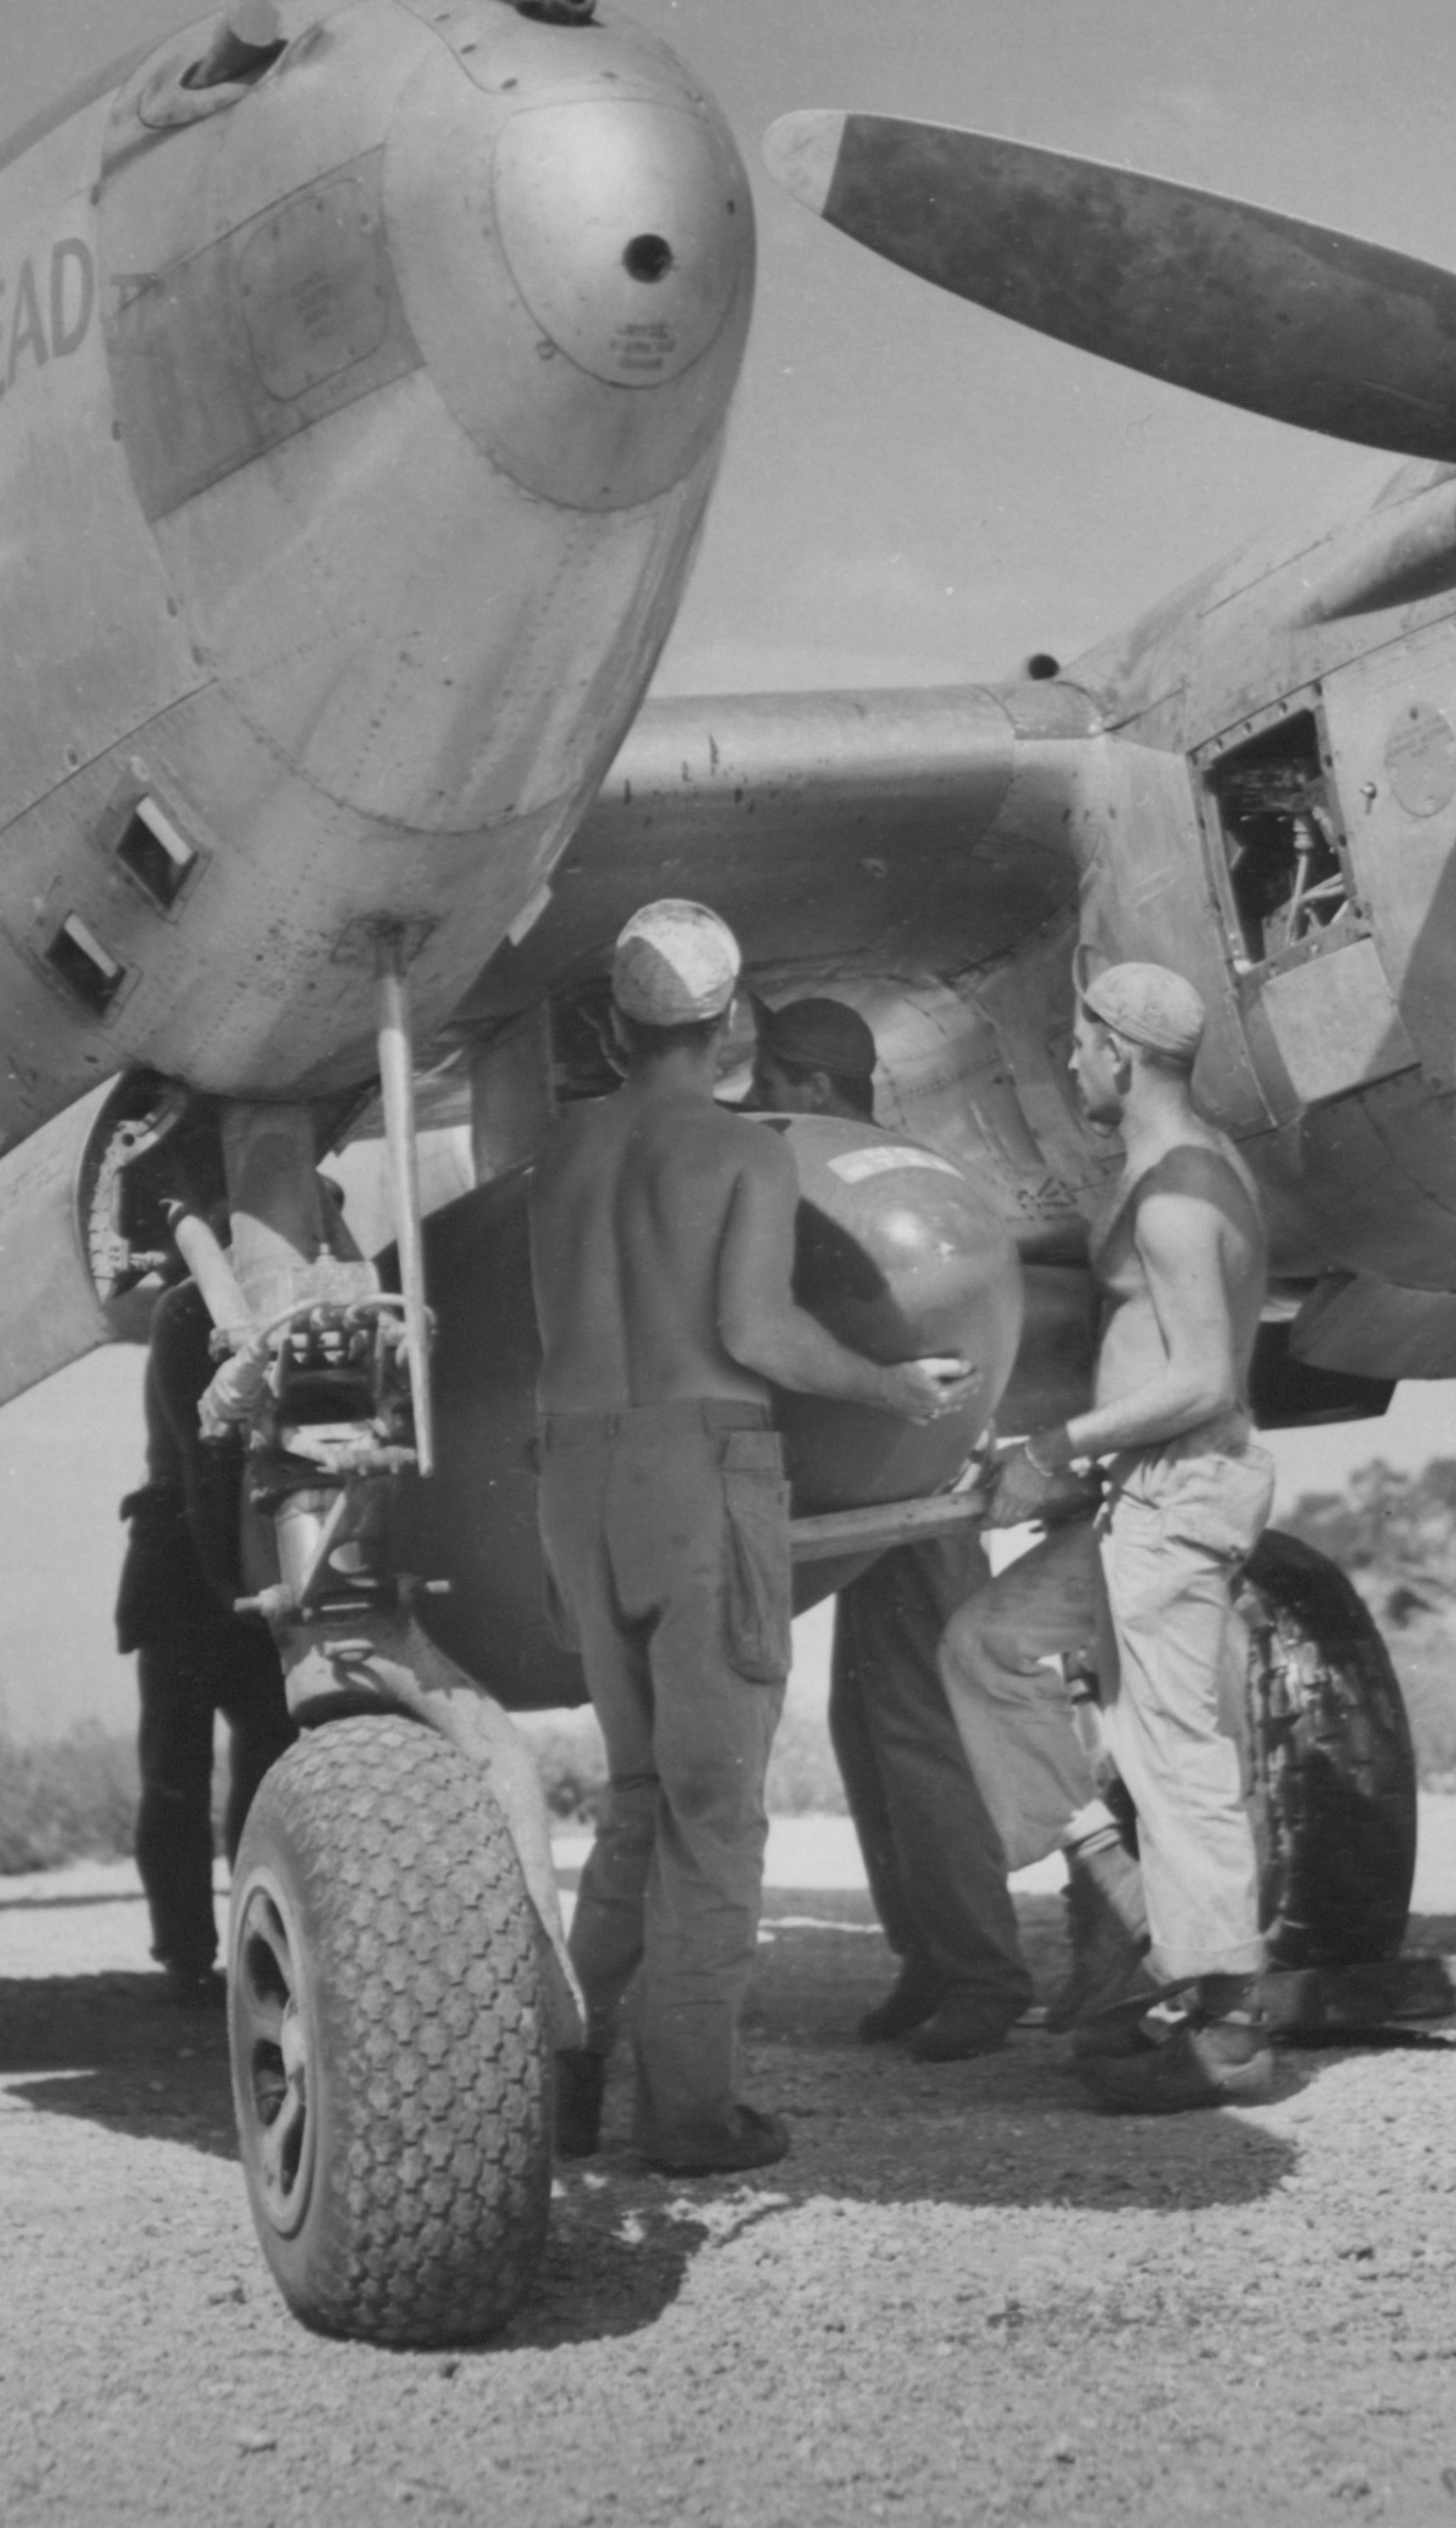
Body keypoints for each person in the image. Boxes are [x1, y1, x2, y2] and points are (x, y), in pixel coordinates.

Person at [533, 903, 980, 2175]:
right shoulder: (743, 1155)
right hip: (696, 1472)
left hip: (573, 1475)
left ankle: (565, 2068)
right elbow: (757, 1334)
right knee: (713, 1810)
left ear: (617, 1027)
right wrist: (895, 1389)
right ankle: (688, 2112)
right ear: (725, 1023)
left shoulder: (564, 1151)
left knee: (634, 1795)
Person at [939, 960, 1278, 2114]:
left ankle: (1231, 2028)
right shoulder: (1172, 1168)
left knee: (1176, 1750)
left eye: (1080, 1043)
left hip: (1178, 1494)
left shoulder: (1180, 1194)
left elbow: (1201, 1378)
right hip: (1142, 1492)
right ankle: (1131, 1909)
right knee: (985, 1649)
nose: (1071, 1062)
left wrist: (1057, 1446)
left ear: (1119, 1055)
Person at [740, 995, 1035, 2063]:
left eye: (770, 1082)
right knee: (869, 1728)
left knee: (916, 1729)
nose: (755, 1101)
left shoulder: (835, 1174)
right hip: (884, 1485)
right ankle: (928, 1951)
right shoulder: (893, 1167)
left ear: (812, 1090)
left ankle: (981, 1972)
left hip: (910, 1494)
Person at [114, 1279, 296, 1997]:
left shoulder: (207, 1305)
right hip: (201, 1568)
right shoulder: (191, 1306)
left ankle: (231, 1955)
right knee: (182, 1776)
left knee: (236, 1772)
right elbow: (201, 1457)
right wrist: (234, 1585)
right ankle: (197, 1957)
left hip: (227, 1562)